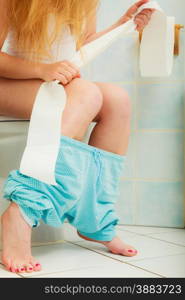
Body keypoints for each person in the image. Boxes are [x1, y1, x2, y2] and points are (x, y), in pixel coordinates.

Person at [0, 0, 153, 273]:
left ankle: (95, 219)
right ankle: (20, 212)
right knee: (85, 92)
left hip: (49, 83)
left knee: (118, 100)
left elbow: (84, 44)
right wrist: (41, 69)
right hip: (7, 83)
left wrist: (122, 24)